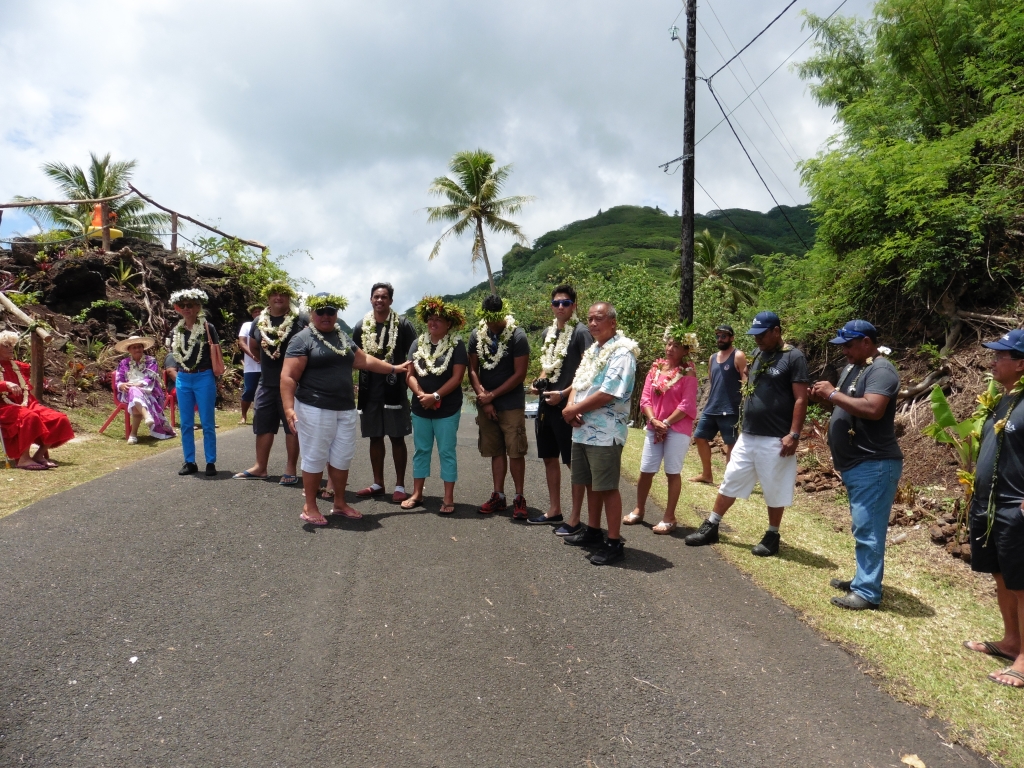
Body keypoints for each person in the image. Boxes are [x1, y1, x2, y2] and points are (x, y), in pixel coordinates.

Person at [685, 310, 809, 557]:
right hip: (749, 434)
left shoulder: (794, 357)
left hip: (776, 437)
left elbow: (801, 398)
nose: (757, 340)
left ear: (776, 331)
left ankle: (772, 535)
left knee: (774, 488)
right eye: (755, 335)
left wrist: (794, 434)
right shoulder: (756, 354)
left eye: (762, 335)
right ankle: (712, 525)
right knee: (730, 478)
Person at [281, 292, 411, 527]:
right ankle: (310, 505)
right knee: (315, 457)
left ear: (336, 314)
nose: (326, 315)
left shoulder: (342, 338)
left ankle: (339, 503)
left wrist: (394, 368)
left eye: (331, 311)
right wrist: (289, 409)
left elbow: (365, 361)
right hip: (314, 407)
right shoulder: (302, 339)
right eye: (320, 311)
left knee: (341, 457)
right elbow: (288, 376)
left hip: (345, 408)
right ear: (312, 313)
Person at [810, 320, 902, 610]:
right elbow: (845, 405)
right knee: (863, 526)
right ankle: (863, 579)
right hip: (856, 463)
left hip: (874, 463)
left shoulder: (881, 370)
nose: (845, 352)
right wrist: (827, 398)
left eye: (849, 345)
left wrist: (833, 394)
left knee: (869, 529)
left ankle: (867, 592)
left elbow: (874, 409)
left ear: (866, 342)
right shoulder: (853, 368)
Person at [962, 330, 1024, 688]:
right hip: (989, 505)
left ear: (1021, 363)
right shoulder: (1002, 399)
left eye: (1001, 356)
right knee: (1002, 576)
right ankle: (1011, 640)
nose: (993, 361)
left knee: (1022, 583)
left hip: (1015, 507)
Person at [560, 302, 638, 566]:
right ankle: (593, 531)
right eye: (590, 319)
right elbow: (579, 381)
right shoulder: (593, 350)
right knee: (590, 482)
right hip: (583, 430)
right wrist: (571, 406)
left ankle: (614, 542)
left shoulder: (622, 352)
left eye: (599, 319)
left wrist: (573, 410)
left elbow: (608, 392)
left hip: (605, 432)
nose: (593, 323)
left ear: (613, 322)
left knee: (607, 487)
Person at [526, 284, 593, 533]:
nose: (561, 307)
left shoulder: (581, 333)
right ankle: (555, 510)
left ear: (574, 306)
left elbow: (589, 371)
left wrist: (564, 394)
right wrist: (539, 381)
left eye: (566, 303)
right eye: (556, 303)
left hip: (568, 406)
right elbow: (547, 365)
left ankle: (576, 518)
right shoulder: (548, 332)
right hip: (546, 405)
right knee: (549, 458)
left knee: (573, 462)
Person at [623, 325, 699, 534]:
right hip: (654, 425)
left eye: (676, 345)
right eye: (669, 344)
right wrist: (654, 420)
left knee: (672, 472)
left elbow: (687, 405)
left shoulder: (688, 373)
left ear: (686, 350)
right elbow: (645, 398)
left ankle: (669, 517)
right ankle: (639, 509)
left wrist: (666, 423)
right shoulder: (655, 369)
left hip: (676, 428)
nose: (670, 348)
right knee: (646, 469)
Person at [351, 282, 418, 502]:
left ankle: (400, 485)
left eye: (384, 297)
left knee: (397, 437)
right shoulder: (362, 326)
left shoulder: (403, 325)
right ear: (371, 299)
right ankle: (377, 483)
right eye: (376, 296)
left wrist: (413, 386)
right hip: (370, 390)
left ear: (391, 300)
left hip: (395, 389)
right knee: (374, 437)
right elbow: (355, 358)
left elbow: (413, 357)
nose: (380, 300)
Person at [401, 296, 468, 514]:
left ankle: (448, 498)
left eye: (438, 319)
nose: (433, 323)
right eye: (430, 319)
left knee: (447, 451)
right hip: (421, 407)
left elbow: (457, 378)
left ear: (449, 323)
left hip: (447, 409)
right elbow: (410, 375)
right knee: (421, 450)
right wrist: (422, 395)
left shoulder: (457, 344)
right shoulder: (417, 343)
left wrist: (436, 396)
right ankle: (417, 493)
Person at [235, 282, 306, 485]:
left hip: (294, 383)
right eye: (274, 294)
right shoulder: (259, 321)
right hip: (266, 382)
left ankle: (290, 468)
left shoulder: (300, 319)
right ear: (268, 298)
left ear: (289, 297)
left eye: (283, 294)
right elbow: (255, 347)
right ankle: (260, 467)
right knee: (263, 425)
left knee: (291, 426)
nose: (278, 298)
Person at [468, 294, 531, 519]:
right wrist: (484, 398)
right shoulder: (477, 334)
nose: (491, 325)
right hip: (487, 402)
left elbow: (520, 374)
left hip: (511, 403)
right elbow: (473, 369)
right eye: (488, 321)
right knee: (495, 450)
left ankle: (519, 496)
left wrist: (492, 395)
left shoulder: (517, 335)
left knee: (515, 450)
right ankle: (499, 495)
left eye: (495, 320)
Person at [169, 288, 224, 477]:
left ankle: (210, 461)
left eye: (190, 305)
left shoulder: (208, 327)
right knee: (186, 423)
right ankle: (189, 461)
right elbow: (174, 356)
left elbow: (215, 351)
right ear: (178, 308)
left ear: (198, 306)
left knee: (207, 422)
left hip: (204, 376)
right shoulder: (177, 330)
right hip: (183, 377)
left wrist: (216, 378)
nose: (186, 308)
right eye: (182, 305)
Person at [0, 330, 75, 469]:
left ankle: (39, 455)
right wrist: (5, 385)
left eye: (11, 345)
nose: (11, 348)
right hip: (4, 408)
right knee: (29, 417)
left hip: (27, 403)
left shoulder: (19, 366)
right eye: (6, 345)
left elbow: (28, 383)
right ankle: (23, 459)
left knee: (58, 418)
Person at [690, 324, 747, 484]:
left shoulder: (738, 355)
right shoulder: (712, 358)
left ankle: (729, 481)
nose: (720, 339)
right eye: (718, 336)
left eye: (724, 336)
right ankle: (707, 475)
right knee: (700, 437)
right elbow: (713, 381)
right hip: (711, 407)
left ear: (731, 338)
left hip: (729, 409)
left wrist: (744, 402)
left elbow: (745, 380)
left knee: (731, 444)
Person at [113, 335, 175, 444]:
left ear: (143, 348)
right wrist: (121, 385)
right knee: (133, 390)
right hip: (127, 393)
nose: (137, 349)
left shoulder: (151, 361)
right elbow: (119, 380)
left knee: (134, 392)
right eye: (134, 347)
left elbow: (150, 378)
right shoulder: (123, 363)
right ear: (129, 350)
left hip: (150, 392)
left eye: (139, 347)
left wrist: (138, 384)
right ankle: (147, 416)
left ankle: (133, 434)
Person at [238, 304, 263, 425]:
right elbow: (242, 343)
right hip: (251, 366)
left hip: (267, 366)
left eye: (259, 311)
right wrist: (253, 356)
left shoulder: (268, 325)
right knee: (249, 390)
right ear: (252, 314)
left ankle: (262, 416)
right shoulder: (247, 325)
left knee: (266, 391)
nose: (257, 313)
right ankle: (243, 415)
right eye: (255, 312)